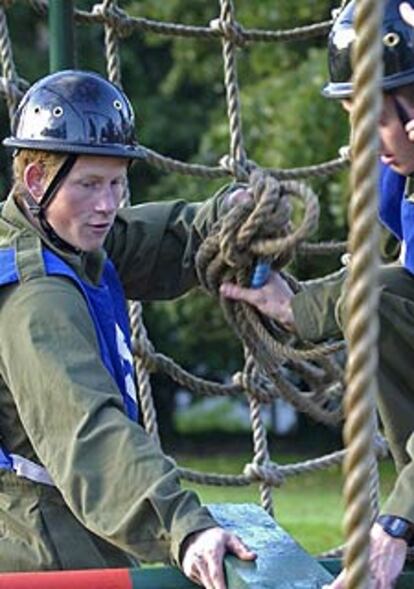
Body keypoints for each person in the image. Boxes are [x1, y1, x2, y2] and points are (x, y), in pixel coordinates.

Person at [0, 69, 256, 587]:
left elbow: (147, 239)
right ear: (34, 180)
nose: (108, 203)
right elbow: (88, 432)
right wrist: (182, 527)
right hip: (40, 543)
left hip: (64, 523)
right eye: (90, 184)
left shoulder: (64, 237)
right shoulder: (36, 297)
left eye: (117, 182)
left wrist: (225, 218)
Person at [221, 1, 414, 587]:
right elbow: (396, 287)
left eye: (374, 119)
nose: (364, 142)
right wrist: (297, 307)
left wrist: (398, 521)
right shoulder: (402, 180)